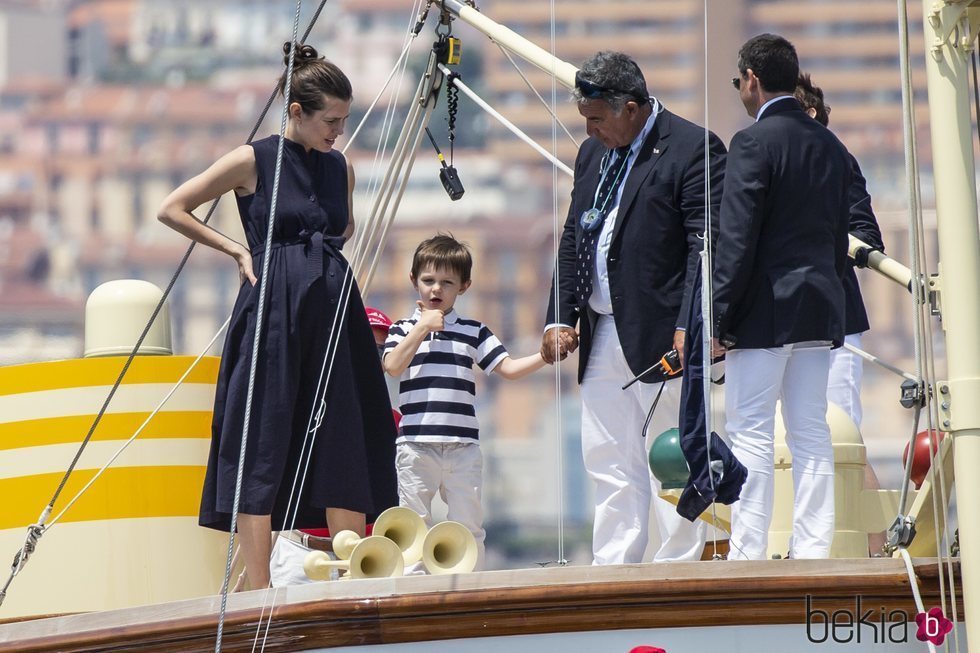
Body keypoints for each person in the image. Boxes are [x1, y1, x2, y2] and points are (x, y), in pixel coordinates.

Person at [157, 42, 397, 590]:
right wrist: (239, 250)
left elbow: (346, 227)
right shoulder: (253, 158)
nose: (338, 131)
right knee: (260, 434)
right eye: (330, 121)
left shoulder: (340, 167)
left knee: (344, 433)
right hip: (273, 312)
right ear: (296, 112)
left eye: (344, 120)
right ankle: (256, 585)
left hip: (334, 309)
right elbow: (172, 208)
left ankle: (350, 576)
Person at [540, 51, 726, 565]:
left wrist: (692, 321)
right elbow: (574, 235)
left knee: (670, 451)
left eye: (598, 120)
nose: (592, 130)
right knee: (606, 454)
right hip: (602, 329)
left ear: (632, 107)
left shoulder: (692, 148)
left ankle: (679, 560)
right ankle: (614, 560)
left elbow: (704, 247)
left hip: (665, 332)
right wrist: (560, 315)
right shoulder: (591, 154)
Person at [712, 34, 852, 560]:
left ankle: (748, 552)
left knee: (750, 430)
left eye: (738, 82)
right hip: (820, 306)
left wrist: (719, 318)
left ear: (751, 78)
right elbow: (838, 235)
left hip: (765, 313)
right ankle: (813, 548)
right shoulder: (829, 144)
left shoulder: (752, 143)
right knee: (810, 429)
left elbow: (737, 240)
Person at [383, 234, 546, 571]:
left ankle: (470, 588)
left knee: (468, 527)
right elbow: (393, 365)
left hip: (462, 447)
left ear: (464, 286)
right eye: (428, 281)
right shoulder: (402, 328)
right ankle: (412, 595)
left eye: (447, 282)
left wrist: (545, 356)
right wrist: (421, 329)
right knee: (412, 527)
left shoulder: (474, 331)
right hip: (416, 445)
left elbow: (509, 369)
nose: (436, 290)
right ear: (413, 281)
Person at [795, 73, 887, 554]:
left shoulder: (838, 161)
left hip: (835, 322)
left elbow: (867, 236)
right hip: (779, 327)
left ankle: (872, 551)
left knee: (842, 433)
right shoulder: (764, 160)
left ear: (808, 115)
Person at [269, 307, 399, 587]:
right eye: (363, 348)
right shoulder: (304, 413)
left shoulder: (398, 422)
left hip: (369, 556)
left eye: (380, 352)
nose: (369, 359)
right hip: (300, 553)